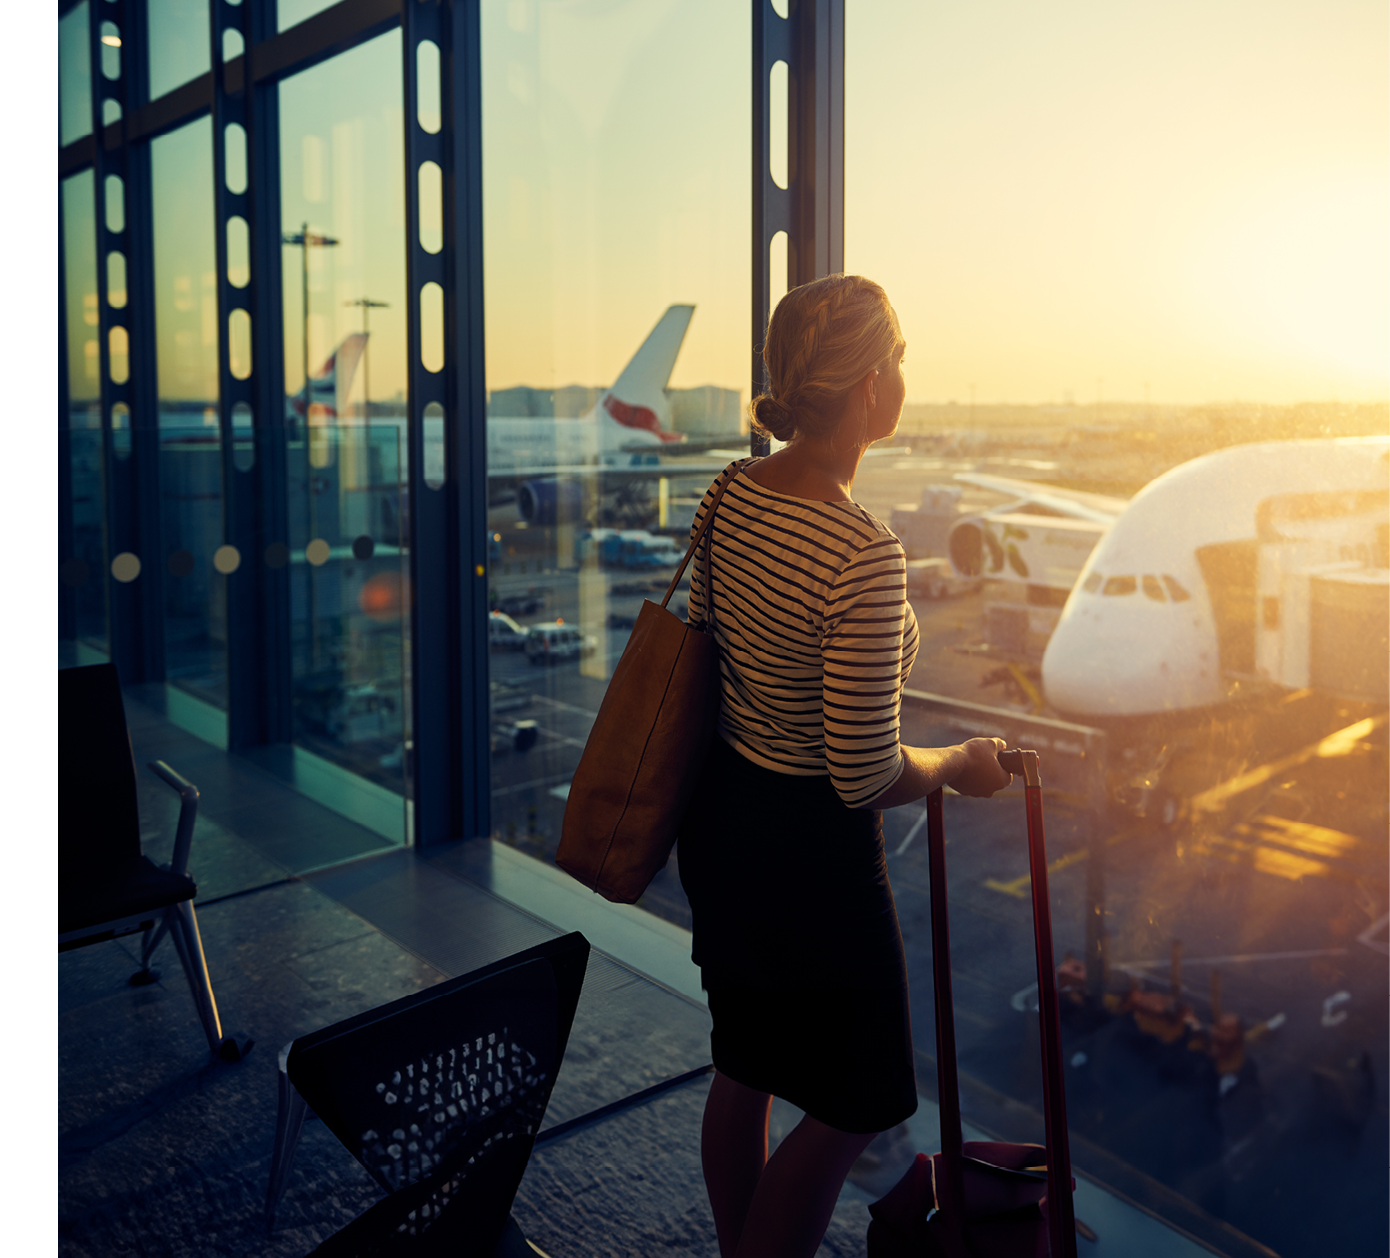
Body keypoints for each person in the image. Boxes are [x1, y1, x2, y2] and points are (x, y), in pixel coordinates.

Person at [676, 274, 1012, 1258]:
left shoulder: (728, 492)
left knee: (744, 1069)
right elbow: (861, 772)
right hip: (810, 859)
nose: (905, 377)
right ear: (870, 385)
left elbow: (710, 647)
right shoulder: (861, 550)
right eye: (899, 360)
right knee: (857, 1101)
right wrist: (955, 762)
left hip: (722, 819)